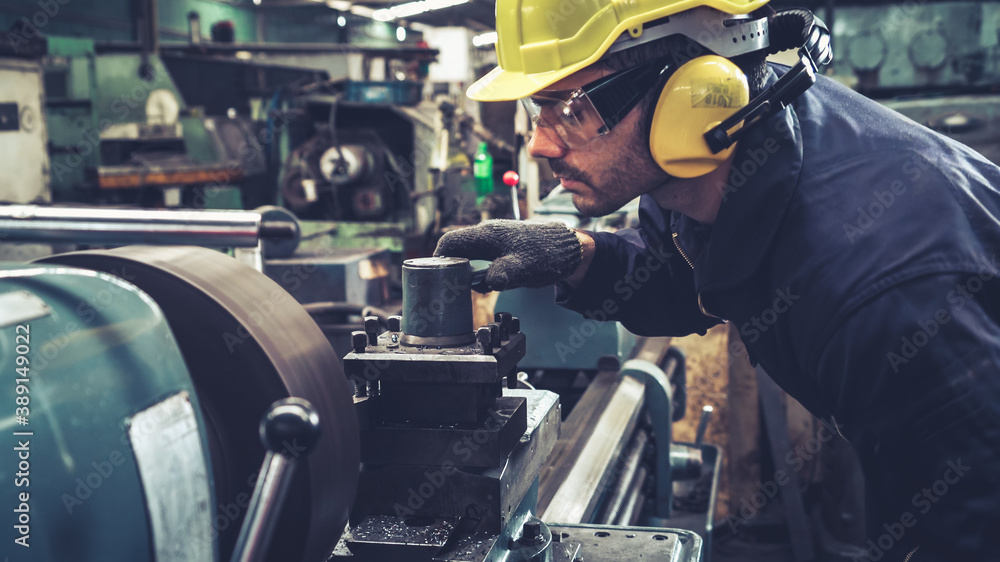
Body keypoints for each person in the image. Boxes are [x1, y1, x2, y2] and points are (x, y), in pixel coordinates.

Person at [434, 1, 1000, 561]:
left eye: (571, 110)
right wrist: (576, 255)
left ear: (692, 96)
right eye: (540, 110)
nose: (540, 144)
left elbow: (971, 528)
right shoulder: (709, 161)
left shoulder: (886, 293)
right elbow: (692, 281)